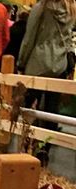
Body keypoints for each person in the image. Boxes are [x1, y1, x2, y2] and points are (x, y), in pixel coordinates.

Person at [18, 0, 76, 148]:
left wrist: (21, 62)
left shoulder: (41, 8)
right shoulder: (71, 8)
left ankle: (24, 145)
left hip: (37, 63)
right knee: (52, 110)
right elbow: (68, 40)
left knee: (26, 105)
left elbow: (29, 38)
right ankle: (45, 150)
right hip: (59, 65)